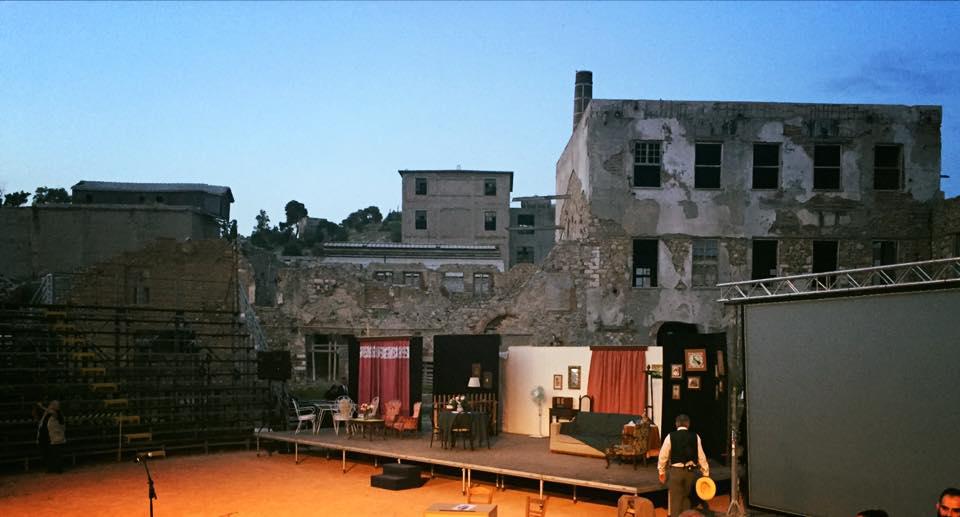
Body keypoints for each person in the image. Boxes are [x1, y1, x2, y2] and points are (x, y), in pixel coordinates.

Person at [658, 414, 710, 517]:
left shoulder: (670, 436)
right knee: (686, 498)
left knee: (675, 500)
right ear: (688, 424)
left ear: (676, 424)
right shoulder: (695, 436)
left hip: (676, 472)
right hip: (690, 472)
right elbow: (701, 456)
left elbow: (663, 455)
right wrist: (705, 473)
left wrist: (661, 471)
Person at [36, 400, 66, 473]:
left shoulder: (58, 414)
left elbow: (51, 412)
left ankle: (58, 469)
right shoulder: (47, 414)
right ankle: (51, 468)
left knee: (56, 454)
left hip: (56, 438)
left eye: (53, 405)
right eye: (51, 404)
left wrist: (41, 406)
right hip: (47, 437)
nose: (51, 406)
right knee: (48, 454)